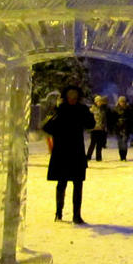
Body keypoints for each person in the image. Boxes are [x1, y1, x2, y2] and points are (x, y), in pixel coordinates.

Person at [43, 85, 95, 224]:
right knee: (62, 183)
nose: (72, 99)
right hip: (63, 151)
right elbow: (47, 127)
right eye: (70, 97)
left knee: (77, 184)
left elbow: (91, 124)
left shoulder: (81, 110)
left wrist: (87, 114)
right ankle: (59, 213)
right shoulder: (60, 110)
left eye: (75, 97)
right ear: (66, 97)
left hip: (76, 151)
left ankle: (76, 215)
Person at [86, 95, 109, 161]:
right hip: (94, 129)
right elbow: (89, 118)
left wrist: (104, 127)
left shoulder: (103, 109)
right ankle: (88, 156)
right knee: (92, 143)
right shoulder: (92, 109)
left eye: (100, 101)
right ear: (95, 102)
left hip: (101, 129)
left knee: (99, 144)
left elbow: (104, 119)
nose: (100, 102)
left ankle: (98, 157)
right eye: (98, 101)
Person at [113, 95, 133, 160]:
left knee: (124, 143)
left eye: (123, 101)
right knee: (120, 143)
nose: (122, 103)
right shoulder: (115, 109)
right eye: (121, 102)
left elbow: (131, 119)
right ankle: (121, 156)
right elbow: (112, 119)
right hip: (118, 128)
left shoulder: (128, 109)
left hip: (126, 128)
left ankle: (124, 156)